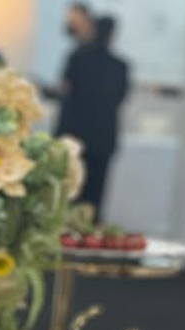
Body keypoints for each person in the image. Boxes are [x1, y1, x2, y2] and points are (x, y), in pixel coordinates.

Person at [55, 15, 130, 220]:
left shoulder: (77, 58)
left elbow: (66, 93)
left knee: (70, 192)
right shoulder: (120, 66)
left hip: (75, 136)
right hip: (103, 138)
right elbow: (121, 97)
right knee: (95, 197)